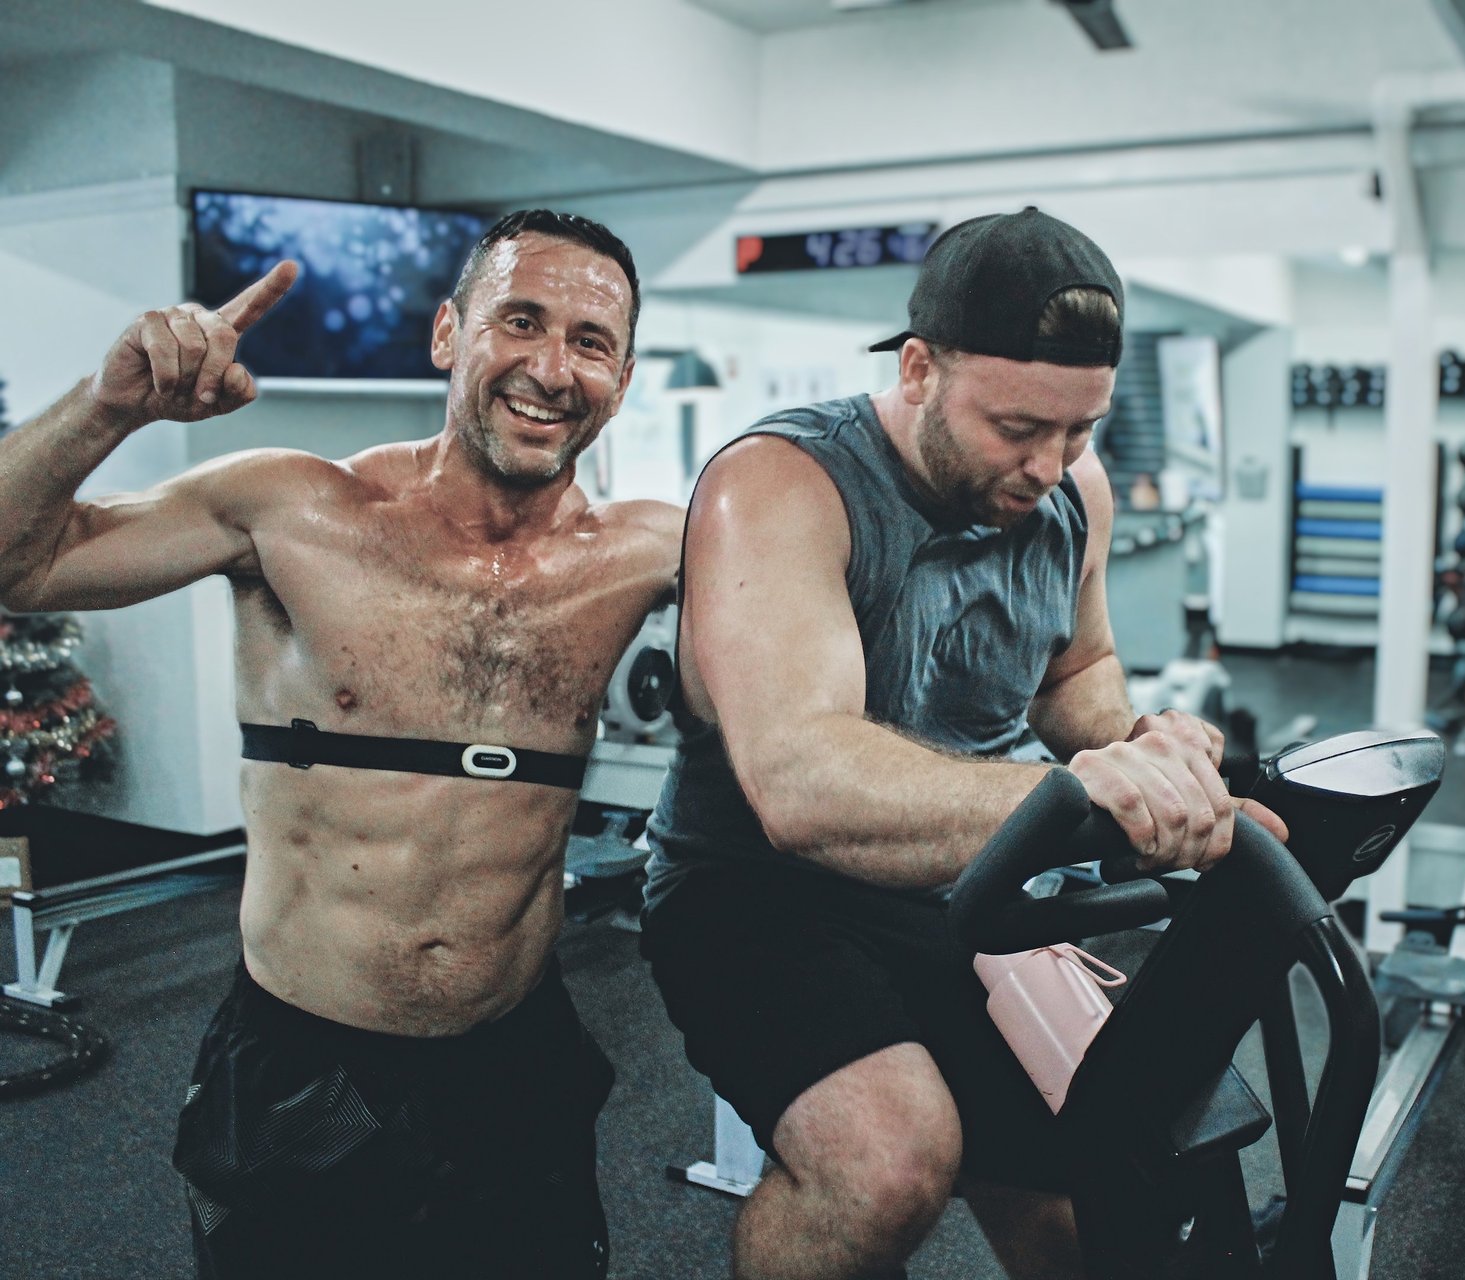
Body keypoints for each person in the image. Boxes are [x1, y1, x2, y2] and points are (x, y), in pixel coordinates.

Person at [0, 209, 681, 1278]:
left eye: (591, 341)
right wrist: (105, 410)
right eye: (521, 320)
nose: (553, 367)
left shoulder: (646, 550)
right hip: (302, 1066)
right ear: (449, 335)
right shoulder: (295, 508)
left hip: (516, 1057)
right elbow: (15, 568)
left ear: (624, 375)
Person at [640, 207, 1288, 1280]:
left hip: (968, 889)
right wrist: (1085, 792)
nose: (1048, 462)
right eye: (1017, 426)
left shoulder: (1077, 492)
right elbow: (799, 782)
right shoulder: (783, 483)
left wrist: (1145, 741)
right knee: (885, 1166)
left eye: (1079, 429)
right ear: (919, 368)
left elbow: (1075, 672)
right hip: (758, 892)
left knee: (1102, 1202)